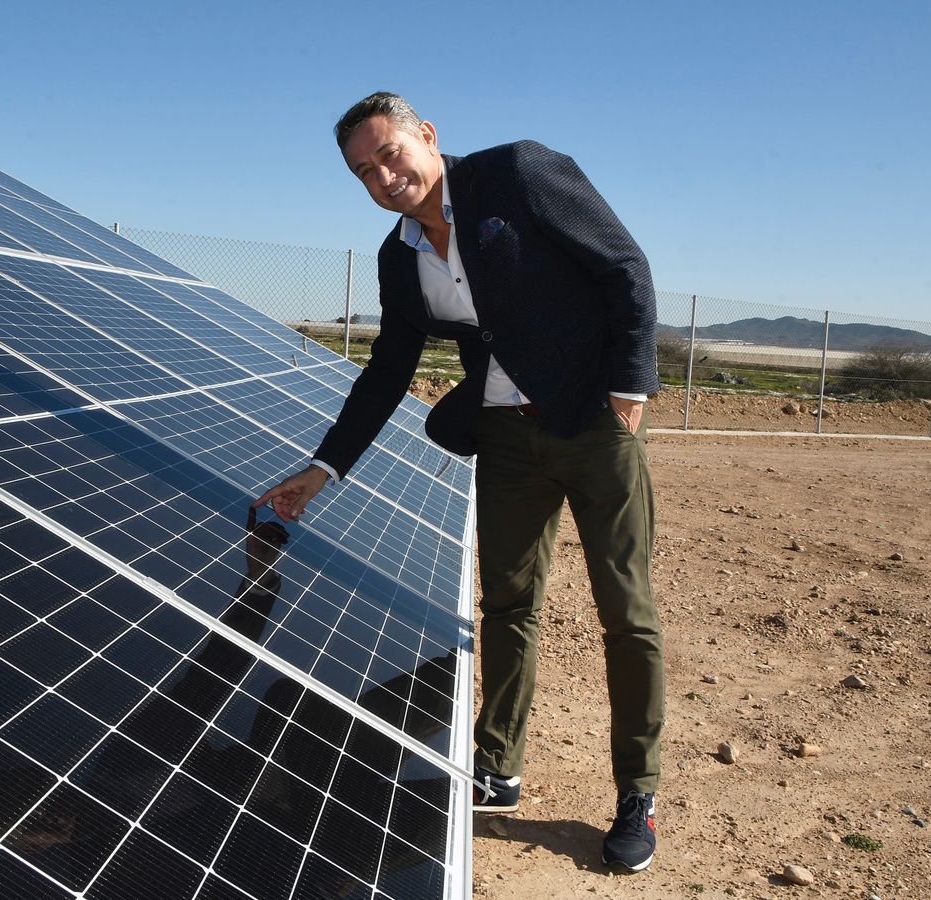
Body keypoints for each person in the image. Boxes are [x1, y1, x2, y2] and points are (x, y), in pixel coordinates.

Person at [255, 92, 665, 873]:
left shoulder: (517, 174)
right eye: (363, 171)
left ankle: (636, 792)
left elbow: (624, 267)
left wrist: (628, 391)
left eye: (389, 154)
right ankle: (499, 765)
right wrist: (323, 467)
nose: (383, 177)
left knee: (626, 611)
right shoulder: (399, 256)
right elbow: (386, 372)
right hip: (505, 438)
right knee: (508, 606)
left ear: (427, 136)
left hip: (593, 424)